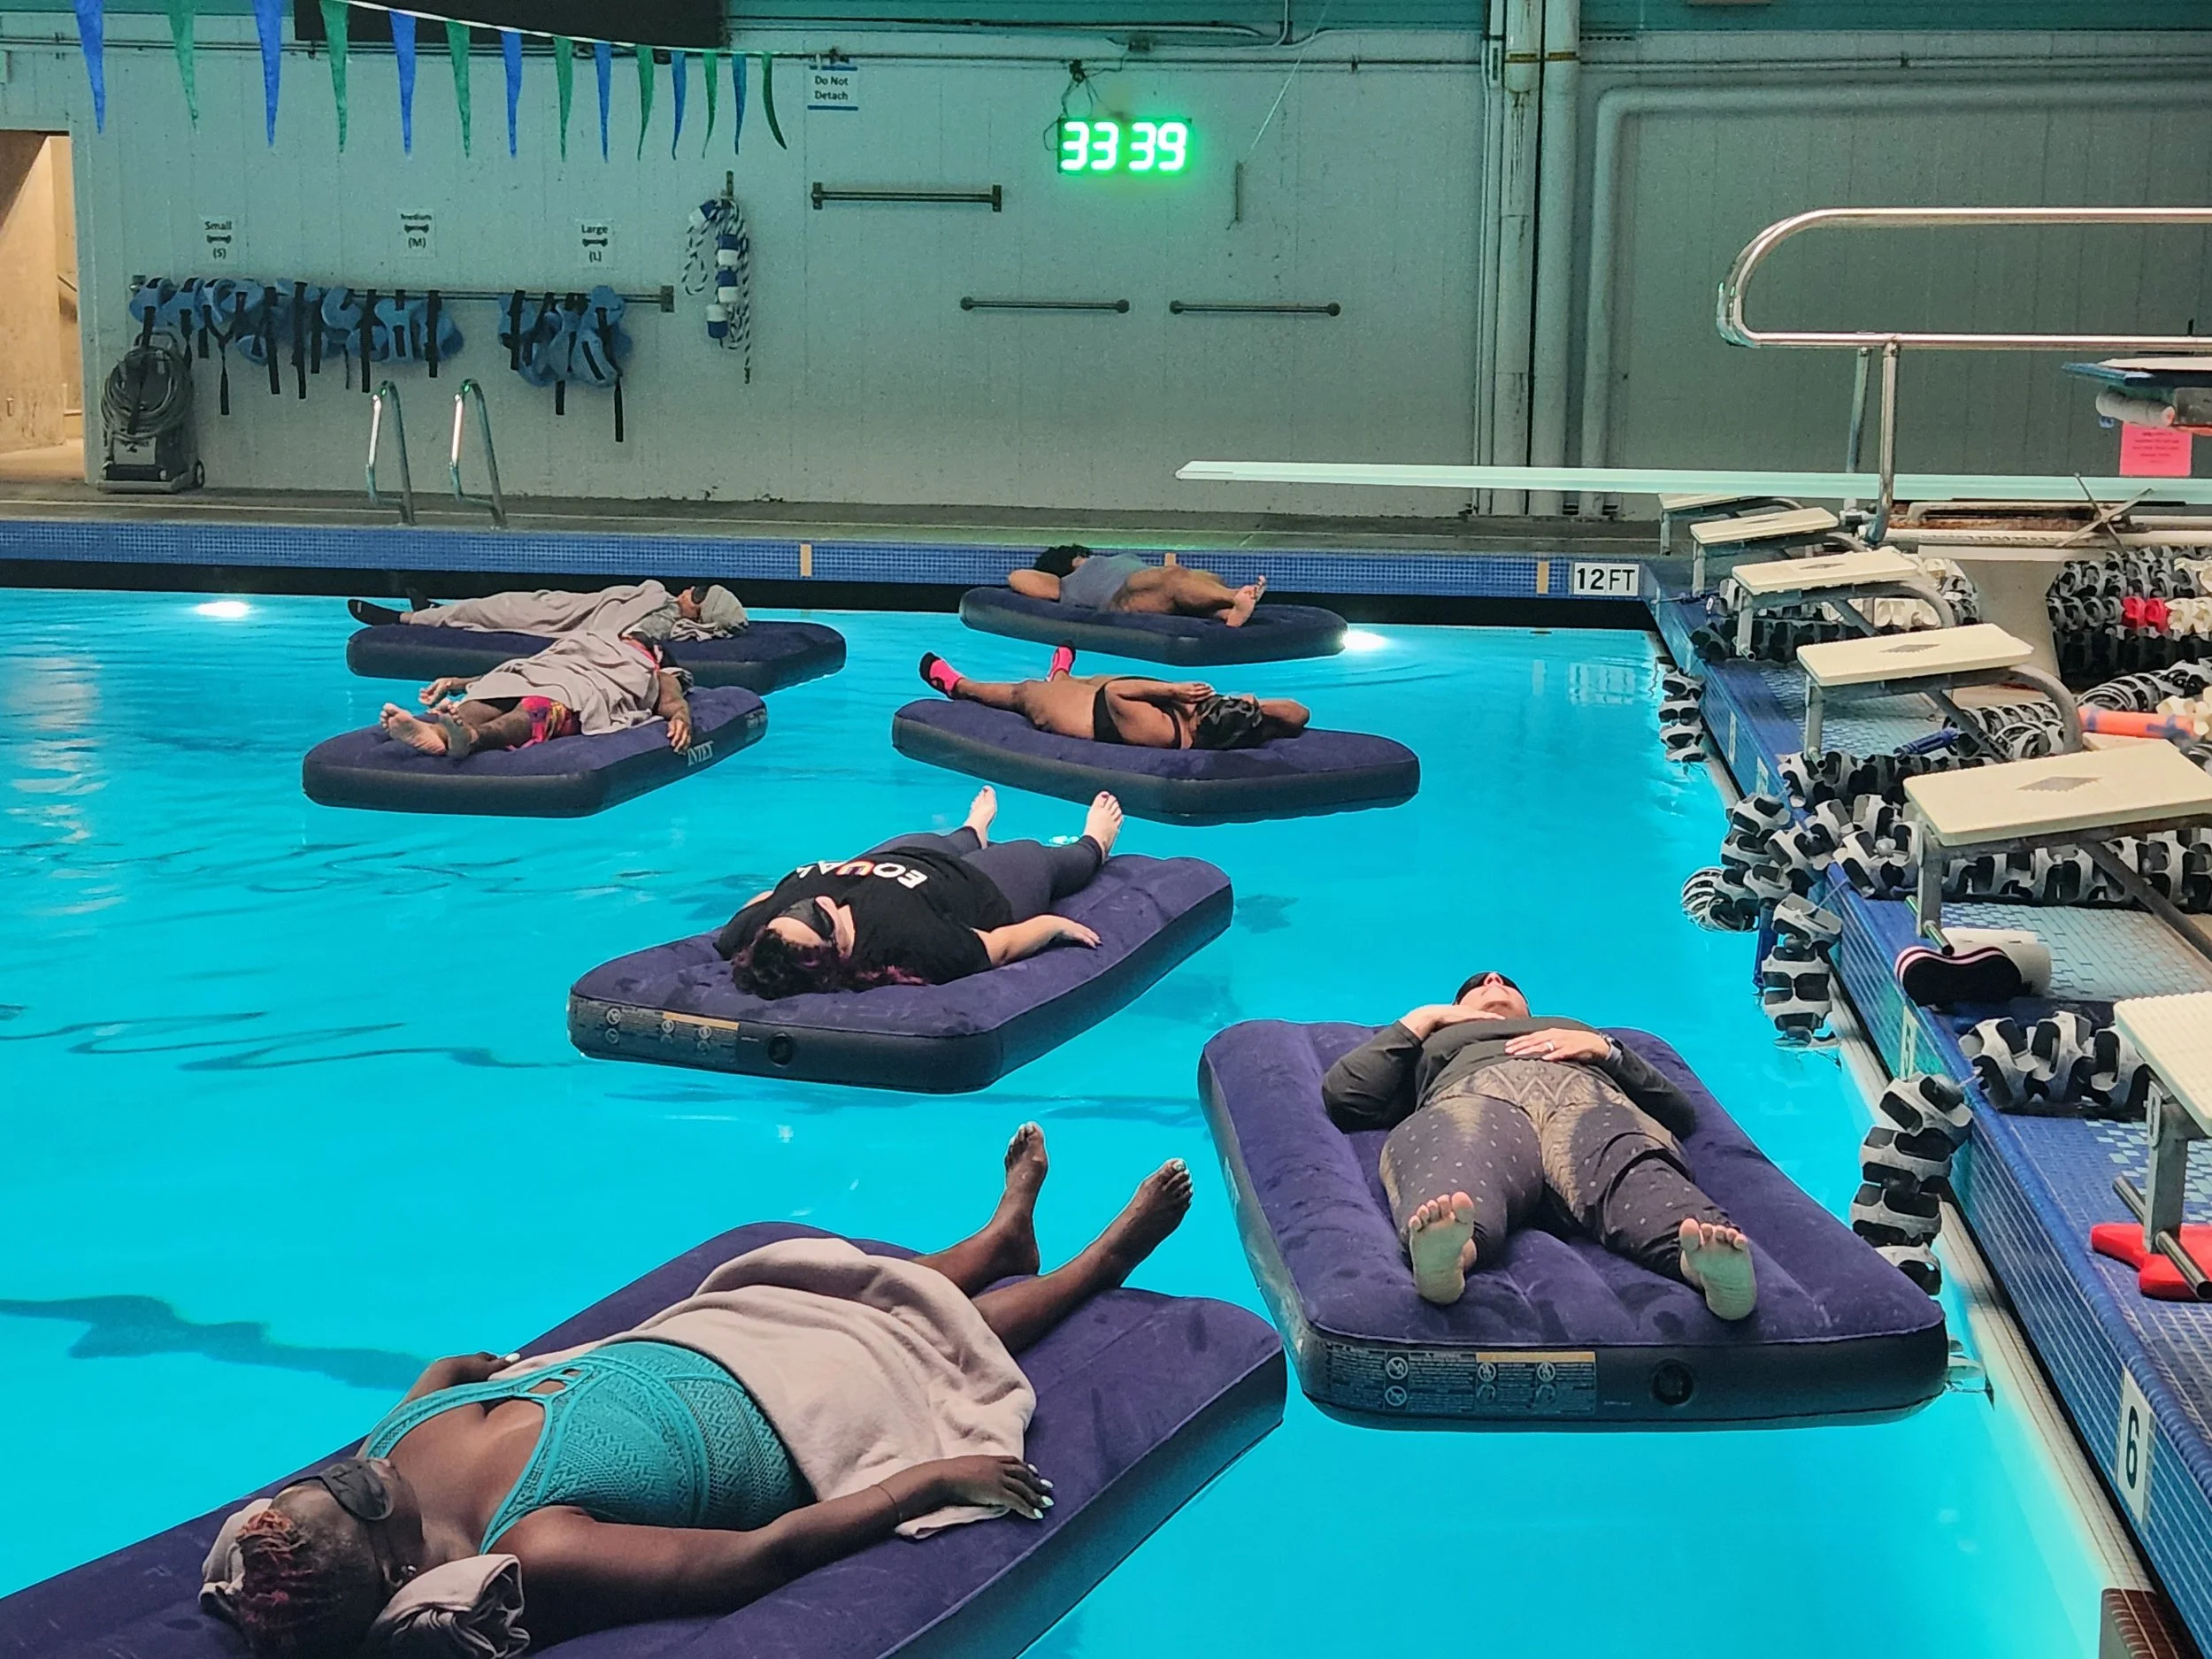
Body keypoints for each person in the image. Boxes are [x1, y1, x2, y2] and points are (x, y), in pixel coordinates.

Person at [206, 1128, 1194, 1656]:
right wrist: (929, 1483)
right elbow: (746, 1563)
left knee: (836, 1292)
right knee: (917, 1346)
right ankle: (1093, 1267)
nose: (361, 1479)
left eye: (337, 1481)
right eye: (358, 1503)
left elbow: (453, 1372)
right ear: (393, 1577)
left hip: (685, 1348)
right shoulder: (531, 1549)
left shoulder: (396, 1447)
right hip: (772, 1415)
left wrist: (508, 1376)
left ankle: (995, 1243)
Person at [1320, 971, 1758, 1319]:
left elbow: (1678, 1112)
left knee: (1629, 1160)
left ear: (1528, 1008)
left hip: (1585, 1105)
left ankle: (1703, 1266)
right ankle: (1449, 1259)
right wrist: (1422, 1020)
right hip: (1477, 1099)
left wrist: (1606, 1050)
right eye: (1475, 985)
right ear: (1454, 1010)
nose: (1493, 980)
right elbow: (1346, 1096)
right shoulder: (1434, 1042)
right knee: (1457, 1149)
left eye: (1506, 983)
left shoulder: (1576, 1032)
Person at [718, 787, 1124, 997]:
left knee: (930, 837)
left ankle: (973, 832)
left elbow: (762, 900)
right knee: (1036, 855)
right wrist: (1051, 926)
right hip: (976, 892)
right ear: (837, 949)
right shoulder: (907, 938)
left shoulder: (764, 937)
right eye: (817, 918)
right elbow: (995, 947)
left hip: (898, 858)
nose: (813, 903)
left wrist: (776, 907)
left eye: (795, 909)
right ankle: (1095, 842)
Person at [377, 631, 693, 759]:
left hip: (579, 687)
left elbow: (672, 701)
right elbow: (542, 662)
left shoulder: (654, 668)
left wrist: (680, 716)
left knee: (535, 708)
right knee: (494, 692)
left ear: (654, 652)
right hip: (544, 672)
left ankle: (471, 737)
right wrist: (459, 682)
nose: (624, 637)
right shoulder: (593, 638)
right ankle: (436, 732)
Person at [917, 646, 1309, 749]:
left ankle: (958, 686)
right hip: (1105, 698)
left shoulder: (1162, 732)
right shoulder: (1241, 726)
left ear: (1201, 724)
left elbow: (1116, 695)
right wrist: (1253, 705)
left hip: (1085, 716)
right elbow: (1300, 713)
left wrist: (1173, 691)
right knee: (1102, 677)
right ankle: (1064, 673)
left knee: (1027, 692)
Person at [349, 580, 747, 642]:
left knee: (496, 611)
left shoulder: (663, 614)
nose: (688, 590)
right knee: (492, 607)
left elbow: (631, 634)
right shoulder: (657, 597)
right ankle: (435, 611)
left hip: (560, 617)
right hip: (566, 604)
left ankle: (402, 619)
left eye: (696, 594)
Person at [1005, 545, 1265, 627]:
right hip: (1122, 599)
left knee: (1190, 577)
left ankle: (1227, 612)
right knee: (1171, 579)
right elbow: (1017, 577)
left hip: (1149, 587)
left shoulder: (1110, 560)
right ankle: (1234, 596)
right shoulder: (1062, 582)